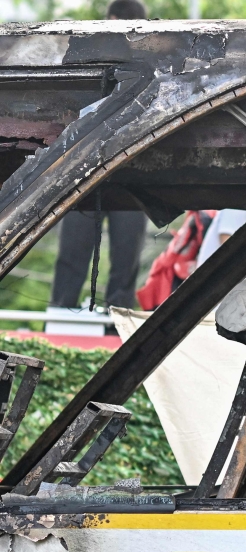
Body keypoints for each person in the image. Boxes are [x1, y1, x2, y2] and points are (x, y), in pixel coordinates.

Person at [47, 0, 150, 318]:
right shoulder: (152, 62)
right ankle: (116, 315)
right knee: (125, 255)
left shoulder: (89, 56)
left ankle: (63, 312)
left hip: (90, 167)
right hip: (129, 170)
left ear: (114, 19)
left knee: (77, 251)